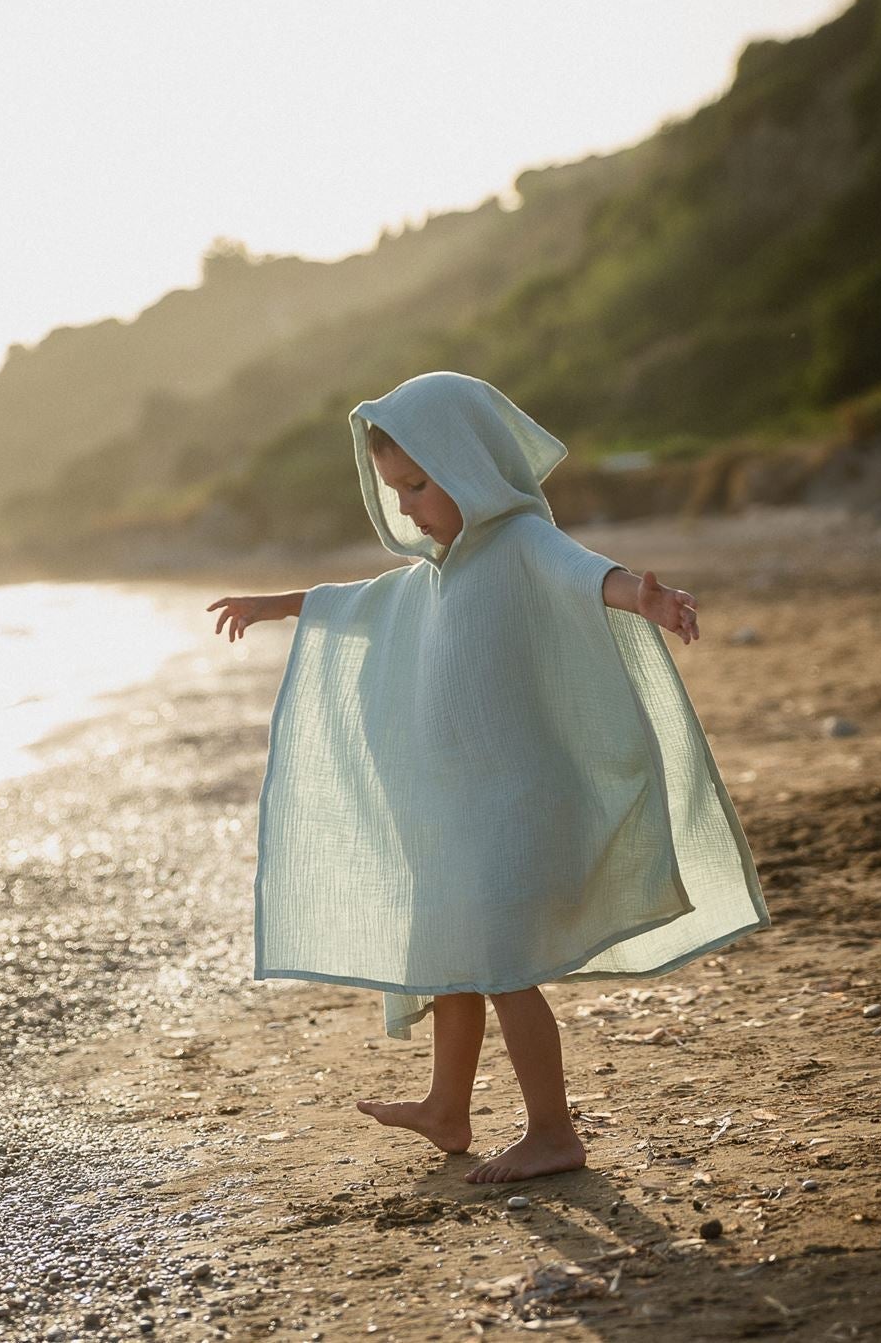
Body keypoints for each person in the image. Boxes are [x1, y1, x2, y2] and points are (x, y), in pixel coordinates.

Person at [206, 371, 767, 1184]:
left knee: (504, 968)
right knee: (455, 958)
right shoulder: (433, 577)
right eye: (398, 489)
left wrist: (644, 599)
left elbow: (589, 575)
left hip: (521, 808)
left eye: (420, 485)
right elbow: (361, 602)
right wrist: (280, 605)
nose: (407, 507)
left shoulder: (520, 543)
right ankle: (446, 1108)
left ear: (469, 465)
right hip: (462, 815)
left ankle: (552, 1131)